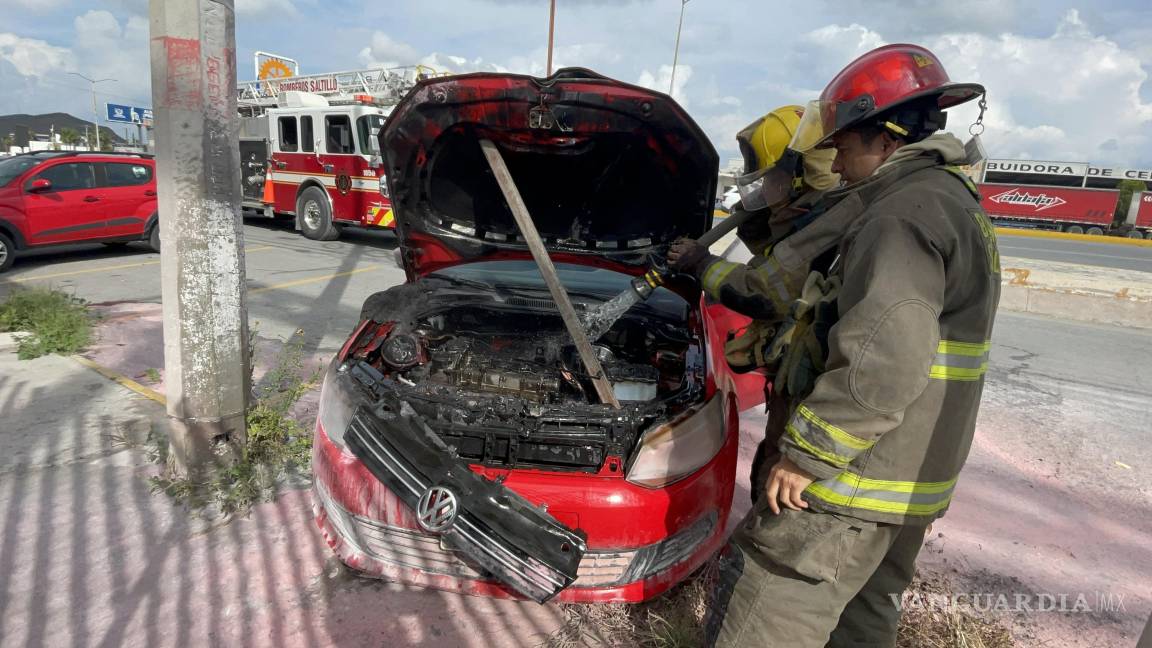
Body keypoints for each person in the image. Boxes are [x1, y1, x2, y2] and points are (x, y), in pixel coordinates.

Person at [703, 43, 1001, 648]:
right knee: (861, 627)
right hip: (904, 481)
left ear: (888, 138)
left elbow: (884, 354)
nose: (834, 158)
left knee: (764, 624)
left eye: (844, 142)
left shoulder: (899, 217)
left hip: (850, 483)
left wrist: (807, 454)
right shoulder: (950, 201)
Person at [667, 105, 841, 504]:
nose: (766, 186)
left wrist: (701, 264)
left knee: (776, 492)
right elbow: (774, 255)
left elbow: (765, 290)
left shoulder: (825, 222)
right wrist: (757, 219)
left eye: (773, 178)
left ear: (799, 174)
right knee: (769, 470)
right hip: (799, 391)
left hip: (815, 402)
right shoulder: (805, 217)